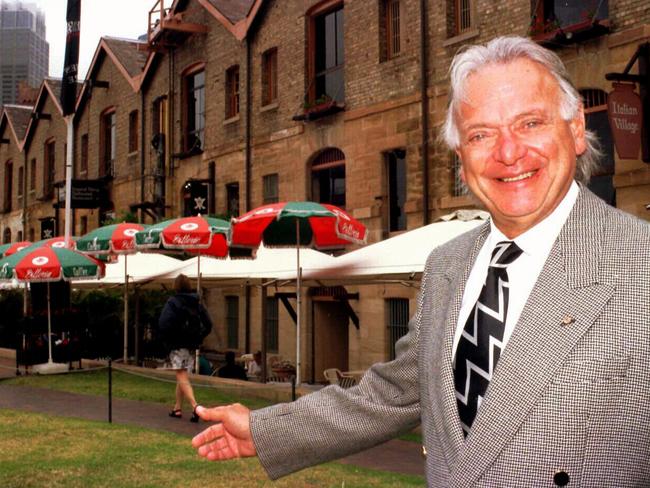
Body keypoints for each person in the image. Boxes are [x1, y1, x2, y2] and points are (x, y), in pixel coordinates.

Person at [191, 36, 650, 485]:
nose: (508, 152)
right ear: (461, 157)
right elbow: (395, 392)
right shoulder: (448, 264)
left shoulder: (639, 265)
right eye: (481, 134)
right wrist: (266, 430)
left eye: (530, 123)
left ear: (574, 132)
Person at [158, 273, 213, 423]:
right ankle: (177, 408)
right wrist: (199, 337)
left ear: (175, 286)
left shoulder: (173, 302)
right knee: (181, 376)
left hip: (176, 344)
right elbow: (208, 324)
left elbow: (164, 323)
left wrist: (167, 338)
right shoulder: (196, 302)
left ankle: (195, 407)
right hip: (191, 345)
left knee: (181, 374)